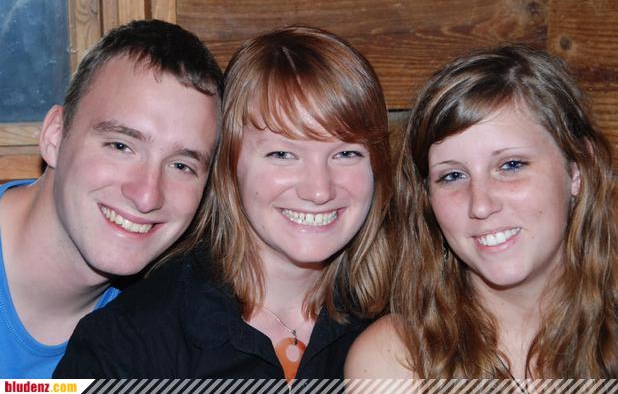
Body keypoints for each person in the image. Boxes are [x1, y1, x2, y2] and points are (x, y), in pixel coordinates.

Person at [53, 25, 393, 380]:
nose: (319, 190)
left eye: (346, 154)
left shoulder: (405, 319)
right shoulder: (127, 343)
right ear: (229, 165)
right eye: (282, 154)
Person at [345, 45, 617, 379]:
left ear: (577, 169)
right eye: (452, 176)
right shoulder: (395, 359)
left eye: (511, 165)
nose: (481, 205)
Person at [0, 19, 223, 378]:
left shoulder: (171, 321)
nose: (147, 195)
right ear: (55, 136)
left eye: (182, 166)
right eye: (120, 146)